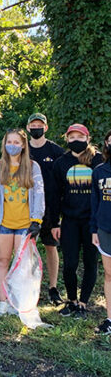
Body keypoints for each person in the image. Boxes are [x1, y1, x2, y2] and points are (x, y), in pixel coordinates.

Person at [0, 129, 45, 316]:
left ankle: (19, 302)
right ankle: (3, 302)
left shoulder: (32, 167)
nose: (12, 145)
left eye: (16, 142)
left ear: (23, 145)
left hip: (24, 224)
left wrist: (37, 220)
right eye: (9, 142)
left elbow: (38, 194)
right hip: (2, 223)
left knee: (22, 265)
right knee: (2, 261)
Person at [51, 124, 103, 319]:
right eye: (71, 136)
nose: (75, 140)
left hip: (93, 222)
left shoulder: (98, 160)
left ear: (87, 138)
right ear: (67, 139)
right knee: (70, 263)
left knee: (90, 262)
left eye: (79, 136)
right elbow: (55, 195)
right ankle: (71, 301)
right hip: (70, 221)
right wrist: (55, 222)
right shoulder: (60, 163)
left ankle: (83, 303)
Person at [26, 113, 65, 305]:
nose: (36, 128)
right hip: (26, 207)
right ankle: (29, 287)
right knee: (27, 248)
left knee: (51, 247)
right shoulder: (22, 149)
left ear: (46, 128)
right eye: (32, 125)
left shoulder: (56, 151)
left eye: (39, 125)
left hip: (50, 207)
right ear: (27, 128)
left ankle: (53, 288)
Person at [91, 129, 111, 334]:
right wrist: (94, 229)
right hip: (105, 229)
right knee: (109, 274)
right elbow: (95, 203)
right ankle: (109, 319)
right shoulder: (99, 171)